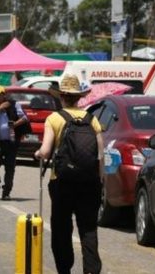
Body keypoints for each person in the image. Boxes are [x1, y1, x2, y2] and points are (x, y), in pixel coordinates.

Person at [35, 74, 104, 274]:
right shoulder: (92, 119)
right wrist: (100, 181)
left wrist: (38, 153)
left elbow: (46, 151)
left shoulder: (54, 118)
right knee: (88, 229)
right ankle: (91, 270)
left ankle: (64, 268)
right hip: (90, 183)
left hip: (62, 182)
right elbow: (100, 155)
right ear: (79, 97)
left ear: (61, 97)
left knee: (61, 228)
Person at [0, 85, 29, 200]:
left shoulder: (14, 104)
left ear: (4, 95)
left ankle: (6, 192)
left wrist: (15, 124)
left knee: (10, 168)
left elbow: (24, 118)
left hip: (11, 142)